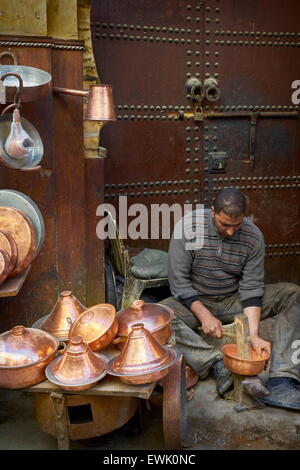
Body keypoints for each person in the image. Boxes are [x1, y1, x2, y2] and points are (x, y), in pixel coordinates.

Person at [161, 188, 300, 410]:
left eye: (237, 226)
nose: (231, 232)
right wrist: (204, 315)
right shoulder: (189, 228)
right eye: (224, 224)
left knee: (292, 294)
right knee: (159, 316)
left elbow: (251, 287)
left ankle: (283, 378)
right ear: (212, 211)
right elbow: (179, 282)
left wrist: (253, 334)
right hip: (196, 301)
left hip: (232, 301)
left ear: (244, 216)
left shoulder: (254, 237)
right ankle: (217, 363)